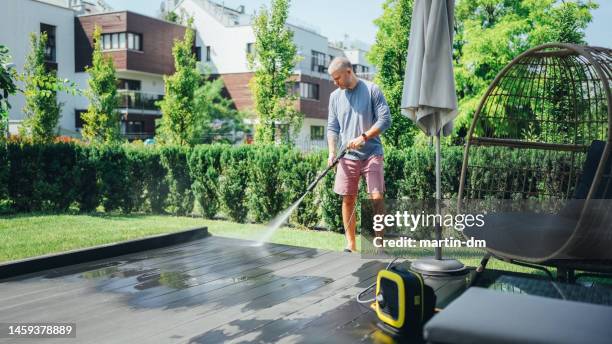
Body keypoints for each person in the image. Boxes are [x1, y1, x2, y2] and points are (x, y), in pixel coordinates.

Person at [326, 57, 391, 252]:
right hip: (347, 156)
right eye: (333, 79)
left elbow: (385, 120)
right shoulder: (335, 97)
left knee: (376, 197)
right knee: (348, 198)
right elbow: (332, 127)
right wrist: (331, 153)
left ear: (348, 72)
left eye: (337, 78)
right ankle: (351, 245)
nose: (335, 82)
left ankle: (379, 244)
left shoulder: (372, 89)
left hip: (372, 153)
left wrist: (364, 137)